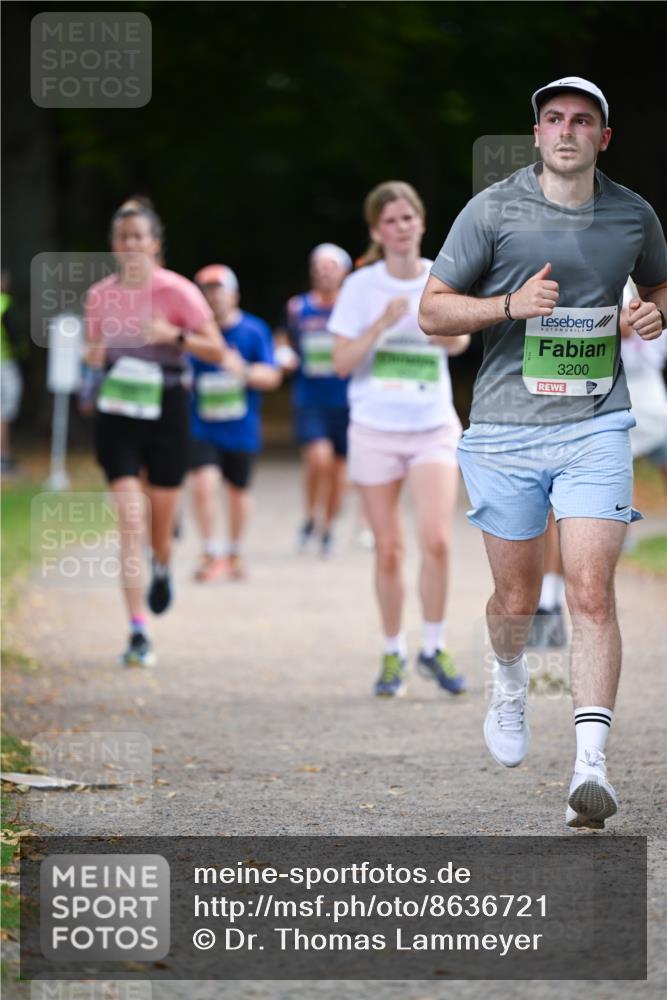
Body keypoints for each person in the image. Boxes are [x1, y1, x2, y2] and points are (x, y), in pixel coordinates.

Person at [419, 77, 667, 828]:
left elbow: (658, 287)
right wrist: (506, 306)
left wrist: (650, 314)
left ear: (602, 137)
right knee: (516, 602)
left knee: (590, 590)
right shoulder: (491, 209)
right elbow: (430, 310)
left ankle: (589, 766)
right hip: (503, 429)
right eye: (553, 118)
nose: (566, 129)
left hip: (595, 424)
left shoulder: (632, 214)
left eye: (581, 120)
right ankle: (506, 673)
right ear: (535, 134)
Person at [331, 180, 470, 698]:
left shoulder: (441, 276)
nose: (400, 227)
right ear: (376, 231)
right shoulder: (359, 286)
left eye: (407, 218)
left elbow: (458, 342)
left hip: (432, 424)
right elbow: (340, 363)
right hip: (374, 428)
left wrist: (430, 321)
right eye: (389, 221)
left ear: (421, 223)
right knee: (389, 549)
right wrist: (382, 324)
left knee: (436, 539)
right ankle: (393, 652)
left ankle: (433, 646)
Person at [84, 203, 224, 666]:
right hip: (118, 412)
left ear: (154, 243)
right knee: (130, 521)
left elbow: (216, 349)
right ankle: (138, 630)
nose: (130, 245)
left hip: (167, 410)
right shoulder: (100, 295)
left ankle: (162, 565)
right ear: (114, 244)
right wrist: (95, 355)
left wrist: (173, 336)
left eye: (138, 237)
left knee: (159, 530)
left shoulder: (178, 291)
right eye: (122, 237)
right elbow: (92, 353)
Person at [189, 264, 281, 581]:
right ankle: (209, 551)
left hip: (241, 427)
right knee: (203, 485)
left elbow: (272, 376)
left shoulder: (254, 331)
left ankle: (235, 550)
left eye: (219, 290)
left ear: (234, 295)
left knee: (238, 492)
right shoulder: (195, 333)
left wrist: (241, 371)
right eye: (207, 292)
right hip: (202, 426)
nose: (213, 298)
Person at [275, 244, 352, 556]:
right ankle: (309, 515)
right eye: (318, 266)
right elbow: (282, 335)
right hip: (310, 398)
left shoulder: (353, 308)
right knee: (318, 460)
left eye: (330, 266)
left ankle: (328, 527)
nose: (323, 272)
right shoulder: (298, 307)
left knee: (337, 470)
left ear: (344, 272)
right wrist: (282, 352)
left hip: (347, 401)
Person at [1, 271, 24, 474]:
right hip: (4, 364)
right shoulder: (5, 303)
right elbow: (17, 336)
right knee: (4, 412)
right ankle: (3, 457)